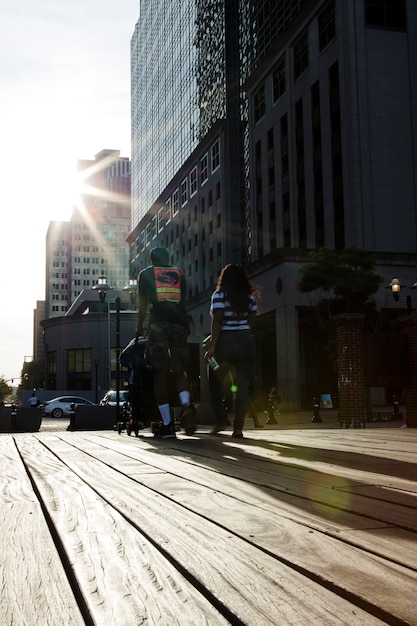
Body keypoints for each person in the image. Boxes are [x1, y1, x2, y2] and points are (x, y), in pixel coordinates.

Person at [136, 246, 195, 438]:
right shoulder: (179, 273)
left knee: (159, 372)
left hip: (158, 325)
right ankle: (187, 405)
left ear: (152, 260)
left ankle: (168, 423)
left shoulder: (146, 274)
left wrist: (139, 326)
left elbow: (143, 304)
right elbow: (183, 300)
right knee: (179, 370)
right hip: (179, 324)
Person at [205, 264, 259, 438]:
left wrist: (212, 347)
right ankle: (238, 429)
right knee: (242, 387)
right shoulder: (249, 297)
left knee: (214, 381)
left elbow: (218, 320)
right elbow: (252, 319)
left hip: (225, 344)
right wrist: (243, 332)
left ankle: (220, 421)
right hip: (246, 343)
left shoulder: (219, 295)